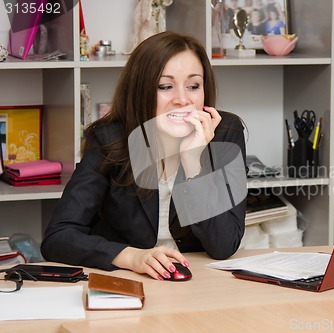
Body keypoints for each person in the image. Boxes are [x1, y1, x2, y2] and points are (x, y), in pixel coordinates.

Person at [41, 31, 248, 281]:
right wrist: (131, 257)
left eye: (194, 86)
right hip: (129, 282)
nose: (182, 100)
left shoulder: (225, 133)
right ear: (141, 91)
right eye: (165, 86)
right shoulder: (110, 138)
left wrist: (193, 162)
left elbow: (224, 245)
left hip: (200, 285)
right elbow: (58, 237)